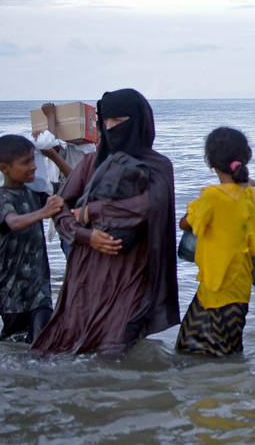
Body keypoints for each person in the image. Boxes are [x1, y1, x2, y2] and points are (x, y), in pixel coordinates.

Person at [32, 89, 179, 354]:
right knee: (77, 342)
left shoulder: (158, 166)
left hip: (132, 269)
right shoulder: (91, 163)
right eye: (106, 121)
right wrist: (86, 235)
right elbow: (59, 206)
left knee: (118, 342)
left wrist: (96, 210)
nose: (110, 128)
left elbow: (152, 205)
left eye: (118, 121)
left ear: (139, 122)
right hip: (87, 269)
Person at [176, 128, 255, 356]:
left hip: (215, 288)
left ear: (211, 162)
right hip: (240, 286)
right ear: (245, 157)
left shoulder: (213, 197)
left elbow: (185, 223)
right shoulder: (252, 196)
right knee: (229, 349)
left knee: (194, 352)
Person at [0, 135, 62, 343]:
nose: (33, 166)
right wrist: (44, 212)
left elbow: (73, 185)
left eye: (33, 159)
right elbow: (13, 222)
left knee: (43, 339)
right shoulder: (3, 196)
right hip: (12, 286)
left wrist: (53, 156)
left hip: (39, 284)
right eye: (25, 162)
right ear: (4, 168)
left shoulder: (35, 193)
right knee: (14, 342)